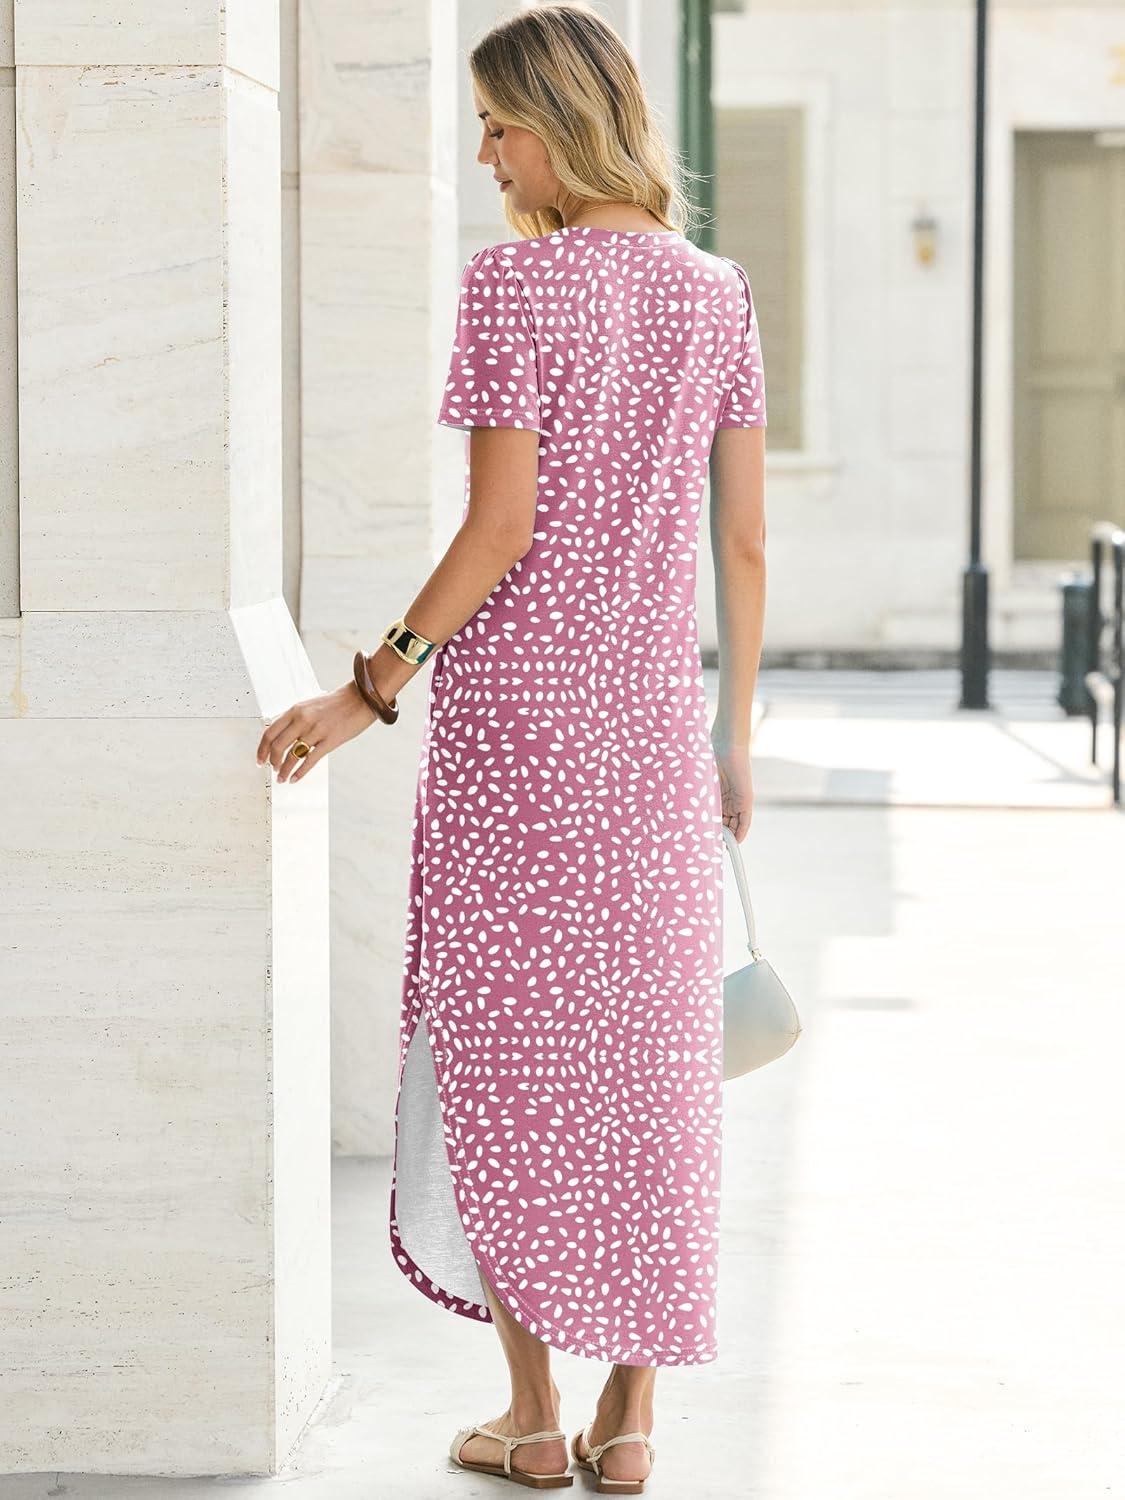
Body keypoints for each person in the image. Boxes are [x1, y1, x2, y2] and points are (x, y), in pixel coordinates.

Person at [256, 2, 767, 1489]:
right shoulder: (717, 293)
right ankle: (632, 1422)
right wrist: (732, 732)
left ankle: (534, 1418)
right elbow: (743, 542)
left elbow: (498, 528)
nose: (486, 156)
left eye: (499, 125)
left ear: (562, 121)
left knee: (509, 1064)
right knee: (651, 1069)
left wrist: (370, 688)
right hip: (652, 737)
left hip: (516, 744)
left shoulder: (514, 287)